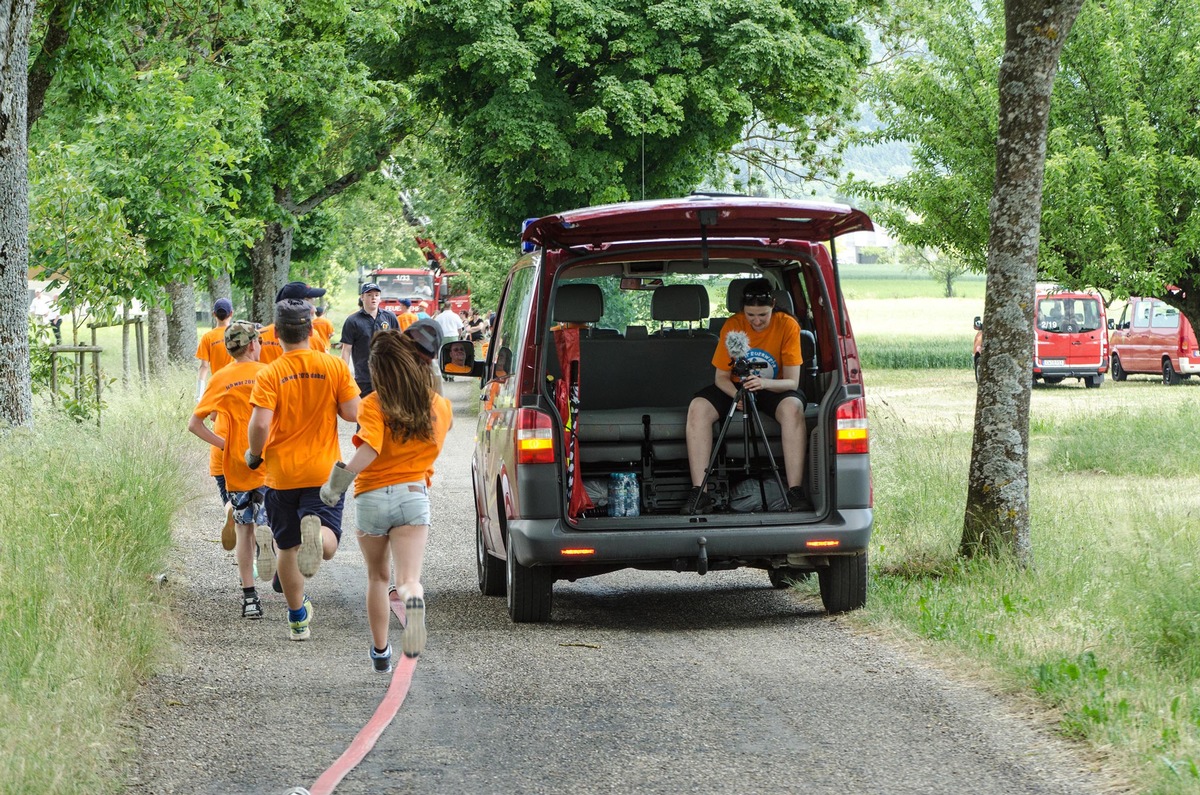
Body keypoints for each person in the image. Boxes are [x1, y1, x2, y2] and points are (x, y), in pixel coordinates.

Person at [320, 327, 452, 670]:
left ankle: (381, 652)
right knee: (408, 580)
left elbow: (370, 449)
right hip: (412, 496)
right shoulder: (438, 405)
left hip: (372, 498)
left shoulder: (372, 404)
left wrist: (336, 486)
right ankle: (412, 604)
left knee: (377, 577)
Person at [246, 299, 361, 641]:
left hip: (281, 475)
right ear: (311, 330)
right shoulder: (334, 367)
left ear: (277, 333)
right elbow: (352, 412)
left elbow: (260, 424)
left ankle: (298, 620)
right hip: (322, 471)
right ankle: (320, 537)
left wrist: (254, 453)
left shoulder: (269, 372)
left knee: (287, 547)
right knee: (328, 540)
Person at [681, 278, 809, 514]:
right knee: (698, 407)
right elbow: (721, 377)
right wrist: (737, 396)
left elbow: (792, 381)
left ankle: (795, 490)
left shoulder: (787, 325)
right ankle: (700, 492)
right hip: (736, 387)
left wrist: (763, 383)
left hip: (773, 387)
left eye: (763, 315)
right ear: (743, 311)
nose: (757, 321)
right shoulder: (733, 325)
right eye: (751, 315)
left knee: (793, 408)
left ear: (773, 306)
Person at [188, 321, 273, 619]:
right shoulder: (268, 373)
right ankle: (270, 536)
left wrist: (225, 444)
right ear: (252, 345)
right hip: (268, 460)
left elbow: (194, 423)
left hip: (236, 465)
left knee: (242, 528)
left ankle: (250, 599)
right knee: (272, 518)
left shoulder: (221, 378)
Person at [340, 283, 401, 397]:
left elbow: (399, 345)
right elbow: (346, 350)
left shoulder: (390, 317)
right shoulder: (352, 321)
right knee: (365, 411)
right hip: (364, 378)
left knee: (388, 411)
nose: (373, 298)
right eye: (369, 295)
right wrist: (344, 374)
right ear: (362, 297)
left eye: (376, 295)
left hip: (387, 375)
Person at [259, 282, 329, 364]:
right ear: (298, 306)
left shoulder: (259, 337)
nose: (315, 310)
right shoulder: (312, 336)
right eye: (310, 304)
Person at [196, 298, 234, 400]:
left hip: (218, 387)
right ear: (231, 313)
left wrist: (199, 395)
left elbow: (204, 367)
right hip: (237, 384)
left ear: (214, 314)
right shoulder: (239, 333)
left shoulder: (207, 337)